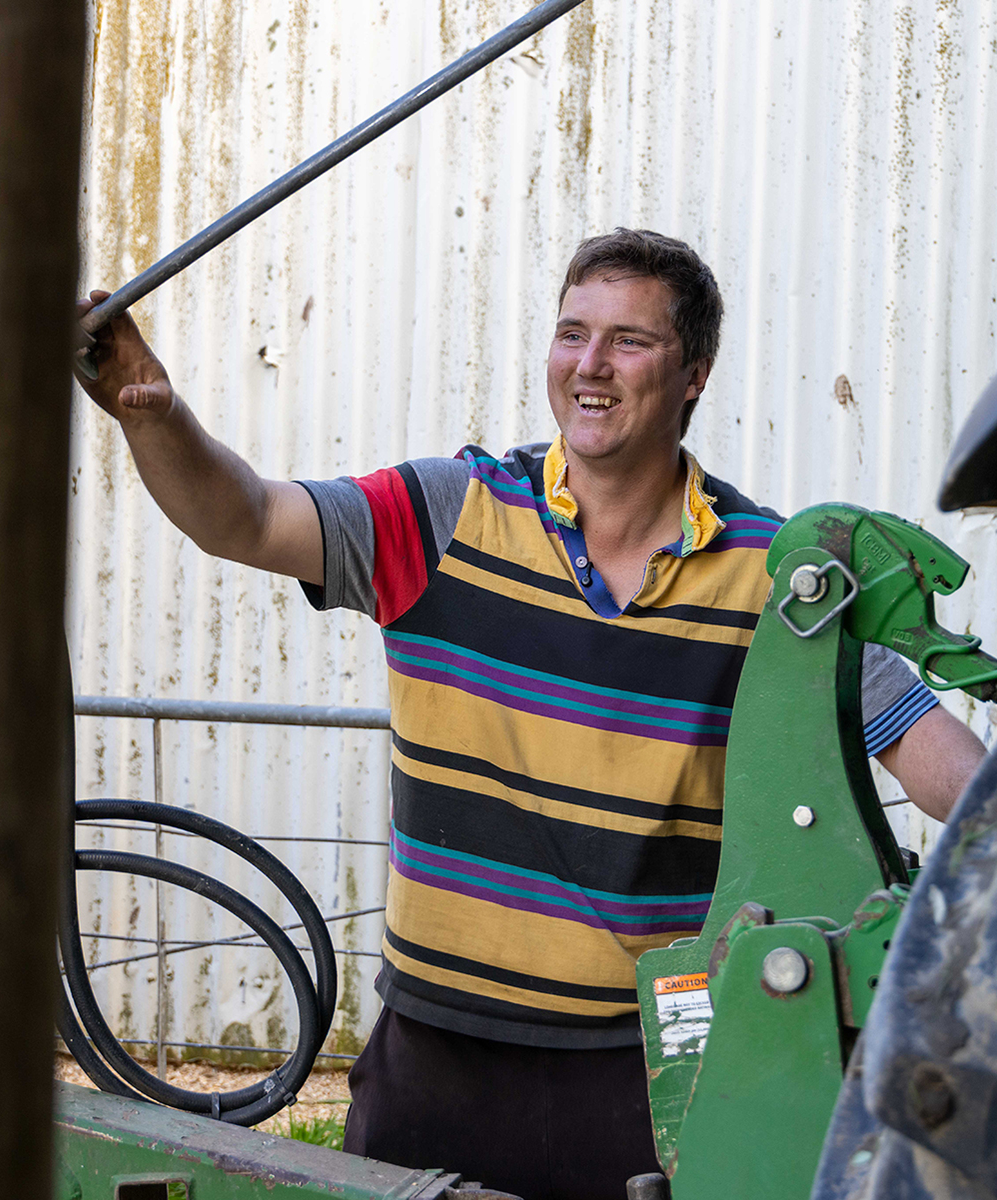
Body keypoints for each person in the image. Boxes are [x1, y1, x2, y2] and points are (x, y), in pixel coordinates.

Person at [75, 229, 987, 1200]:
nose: (589, 366)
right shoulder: (444, 517)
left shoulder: (771, 577)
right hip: (434, 1061)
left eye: (628, 341)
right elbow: (245, 518)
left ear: (694, 375)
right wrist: (157, 414)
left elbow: (942, 762)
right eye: (571, 333)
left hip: (651, 1080)